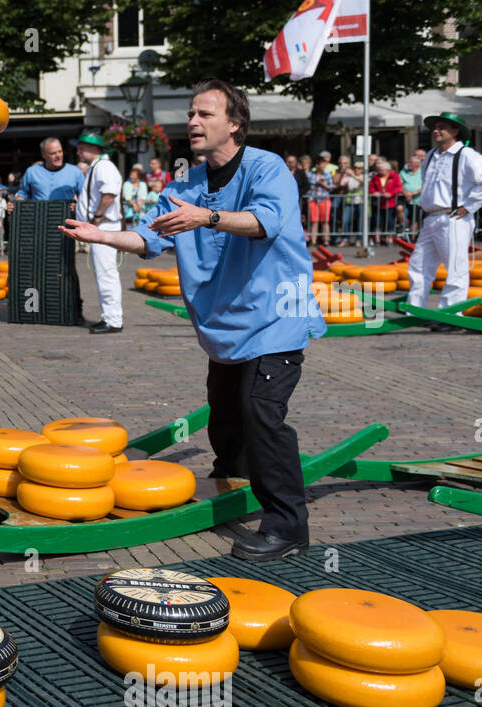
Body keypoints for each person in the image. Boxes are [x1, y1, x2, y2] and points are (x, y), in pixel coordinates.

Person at [60, 80, 324, 562]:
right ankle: (236, 480)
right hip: (225, 327)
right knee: (225, 418)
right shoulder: (182, 187)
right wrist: (101, 235)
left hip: (278, 316)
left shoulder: (268, 168)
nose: (193, 123)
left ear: (235, 124)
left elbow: (265, 222)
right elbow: (148, 239)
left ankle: (288, 525)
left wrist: (209, 217)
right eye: (191, 114)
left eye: (205, 114)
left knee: (262, 414)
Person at [408, 114, 482, 307]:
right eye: (435, 127)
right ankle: (415, 308)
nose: (436, 130)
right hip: (431, 218)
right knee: (418, 265)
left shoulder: (466, 154)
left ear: (455, 131)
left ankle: (451, 312)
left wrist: (468, 206)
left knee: (455, 267)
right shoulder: (431, 155)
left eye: (442, 127)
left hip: (452, 218)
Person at [75, 131, 123, 334]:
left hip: (104, 226)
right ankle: (111, 318)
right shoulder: (99, 166)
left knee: (106, 273)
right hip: (102, 225)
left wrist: (97, 216)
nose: (78, 151)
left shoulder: (103, 166)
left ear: (93, 149)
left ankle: (112, 319)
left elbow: (109, 193)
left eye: (81, 147)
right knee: (104, 272)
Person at [15, 137, 86, 202]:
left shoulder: (75, 172)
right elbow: (23, 194)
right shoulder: (32, 172)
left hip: (67, 215)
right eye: (53, 153)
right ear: (43, 155)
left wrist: (77, 206)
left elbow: (85, 197)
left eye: (60, 151)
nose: (58, 156)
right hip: (39, 214)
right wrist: (15, 203)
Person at [306, 156, 333, 246]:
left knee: (325, 221)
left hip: (324, 199)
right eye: (322, 164)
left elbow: (331, 188)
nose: (324, 165)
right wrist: (316, 183)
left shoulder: (327, 175)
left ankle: (326, 240)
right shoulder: (310, 174)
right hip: (313, 200)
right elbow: (308, 187)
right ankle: (313, 241)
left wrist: (322, 184)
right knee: (314, 221)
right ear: (317, 165)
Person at [339, 160, 364, 245]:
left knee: (360, 221)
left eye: (359, 168)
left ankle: (359, 240)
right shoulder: (349, 177)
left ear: (362, 170)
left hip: (360, 201)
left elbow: (363, 182)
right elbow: (341, 184)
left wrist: (352, 175)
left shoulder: (364, 176)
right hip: (349, 201)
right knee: (345, 220)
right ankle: (345, 239)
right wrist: (343, 174)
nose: (357, 170)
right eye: (355, 168)